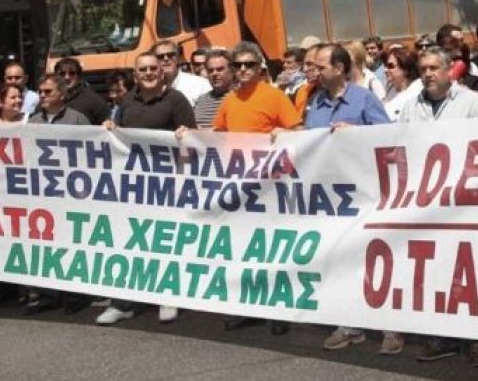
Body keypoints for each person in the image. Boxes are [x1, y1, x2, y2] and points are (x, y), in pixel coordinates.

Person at [184, 41, 301, 335]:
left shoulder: (275, 97)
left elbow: (299, 132)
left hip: (270, 187)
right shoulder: (231, 100)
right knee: (246, 249)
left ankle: (279, 310)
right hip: (238, 186)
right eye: (238, 65)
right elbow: (217, 134)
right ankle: (251, 308)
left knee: (272, 248)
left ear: (260, 68)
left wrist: (284, 132)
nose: (243, 70)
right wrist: (189, 135)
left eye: (249, 64)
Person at [399, 46, 478, 366]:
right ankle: (445, 336)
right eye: (423, 69)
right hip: (429, 204)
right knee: (438, 270)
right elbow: (398, 146)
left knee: (472, 271)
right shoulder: (411, 107)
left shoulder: (472, 103)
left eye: (433, 68)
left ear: (449, 70)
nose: (427, 74)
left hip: (466, 203)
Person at [303, 43, 395, 353]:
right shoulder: (315, 102)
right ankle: (350, 326)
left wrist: (355, 134)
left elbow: (389, 138)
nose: (314, 71)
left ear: (339, 68)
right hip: (332, 197)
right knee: (342, 260)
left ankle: (392, 328)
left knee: (377, 259)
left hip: (367, 194)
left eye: (320, 66)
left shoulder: (363, 98)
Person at [96, 52, 196, 326]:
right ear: (135, 75)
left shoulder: (177, 100)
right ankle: (123, 304)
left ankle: (168, 296)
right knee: (129, 241)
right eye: (144, 69)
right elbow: (120, 140)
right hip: (134, 186)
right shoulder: (126, 102)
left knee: (163, 240)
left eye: (154, 68)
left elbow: (193, 141)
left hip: (168, 183)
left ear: (162, 72)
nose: (149, 73)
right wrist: (111, 128)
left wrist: (185, 143)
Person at [22, 74, 91, 315]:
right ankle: (48, 295)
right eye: (40, 91)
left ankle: (75, 295)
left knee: (72, 244)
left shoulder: (78, 120)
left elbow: (92, 154)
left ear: (62, 94)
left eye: (48, 91)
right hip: (43, 195)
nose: (42, 96)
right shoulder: (33, 122)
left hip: (72, 194)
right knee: (47, 245)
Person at [154, 40, 211, 106]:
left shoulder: (201, 85)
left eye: (170, 55)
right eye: (160, 57)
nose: (166, 59)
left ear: (178, 59)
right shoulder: (150, 90)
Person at [54, 58, 109, 125]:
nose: (67, 77)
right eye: (62, 73)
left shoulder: (94, 101)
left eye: (72, 73)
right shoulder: (47, 99)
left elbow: (106, 126)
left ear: (79, 76)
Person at [193, 49, 234, 128]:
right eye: (210, 70)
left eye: (220, 69)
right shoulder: (201, 100)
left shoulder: (241, 98)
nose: (214, 73)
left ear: (232, 71)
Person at [382, 48, 422, 120]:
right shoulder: (389, 89)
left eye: (390, 66)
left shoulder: (418, 93)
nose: (385, 70)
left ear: (406, 69)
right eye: (386, 66)